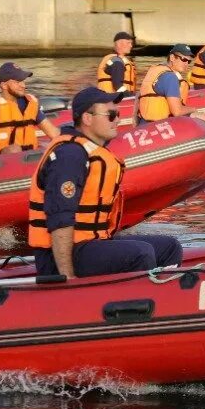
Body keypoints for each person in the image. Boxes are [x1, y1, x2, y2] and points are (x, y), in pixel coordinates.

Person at [29, 87, 183, 278]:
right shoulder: (70, 155)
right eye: (110, 115)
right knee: (141, 254)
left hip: (90, 242)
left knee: (169, 247)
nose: (117, 119)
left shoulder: (92, 152)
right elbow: (60, 219)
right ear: (87, 118)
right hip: (60, 255)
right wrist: (66, 276)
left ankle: (164, 299)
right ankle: (133, 304)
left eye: (117, 114)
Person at [0, 62, 60, 157]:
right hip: (1, 162)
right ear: (4, 85)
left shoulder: (30, 103)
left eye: (23, 81)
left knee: (49, 146)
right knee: (14, 150)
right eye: (17, 82)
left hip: (29, 160)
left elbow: (53, 133)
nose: (23, 85)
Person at [137, 44, 194, 123]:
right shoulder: (170, 77)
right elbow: (177, 111)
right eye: (184, 59)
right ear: (172, 58)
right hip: (159, 126)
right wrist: (194, 110)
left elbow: (139, 94)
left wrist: (134, 117)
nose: (186, 64)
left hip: (143, 124)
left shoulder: (155, 70)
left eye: (189, 61)